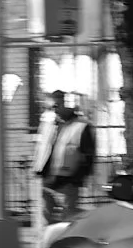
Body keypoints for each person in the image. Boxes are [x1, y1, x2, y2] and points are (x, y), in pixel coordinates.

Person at [36, 91, 95, 228]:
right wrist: (38, 171)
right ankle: (47, 245)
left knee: (69, 218)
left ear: (67, 105)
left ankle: (78, 235)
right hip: (47, 181)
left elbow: (88, 157)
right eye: (52, 106)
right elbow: (42, 148)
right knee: (45, 219)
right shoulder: (49, 125)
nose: (55, 110)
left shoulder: (81, 126)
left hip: (68, 182)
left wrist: (77, 179)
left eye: (57, 105)